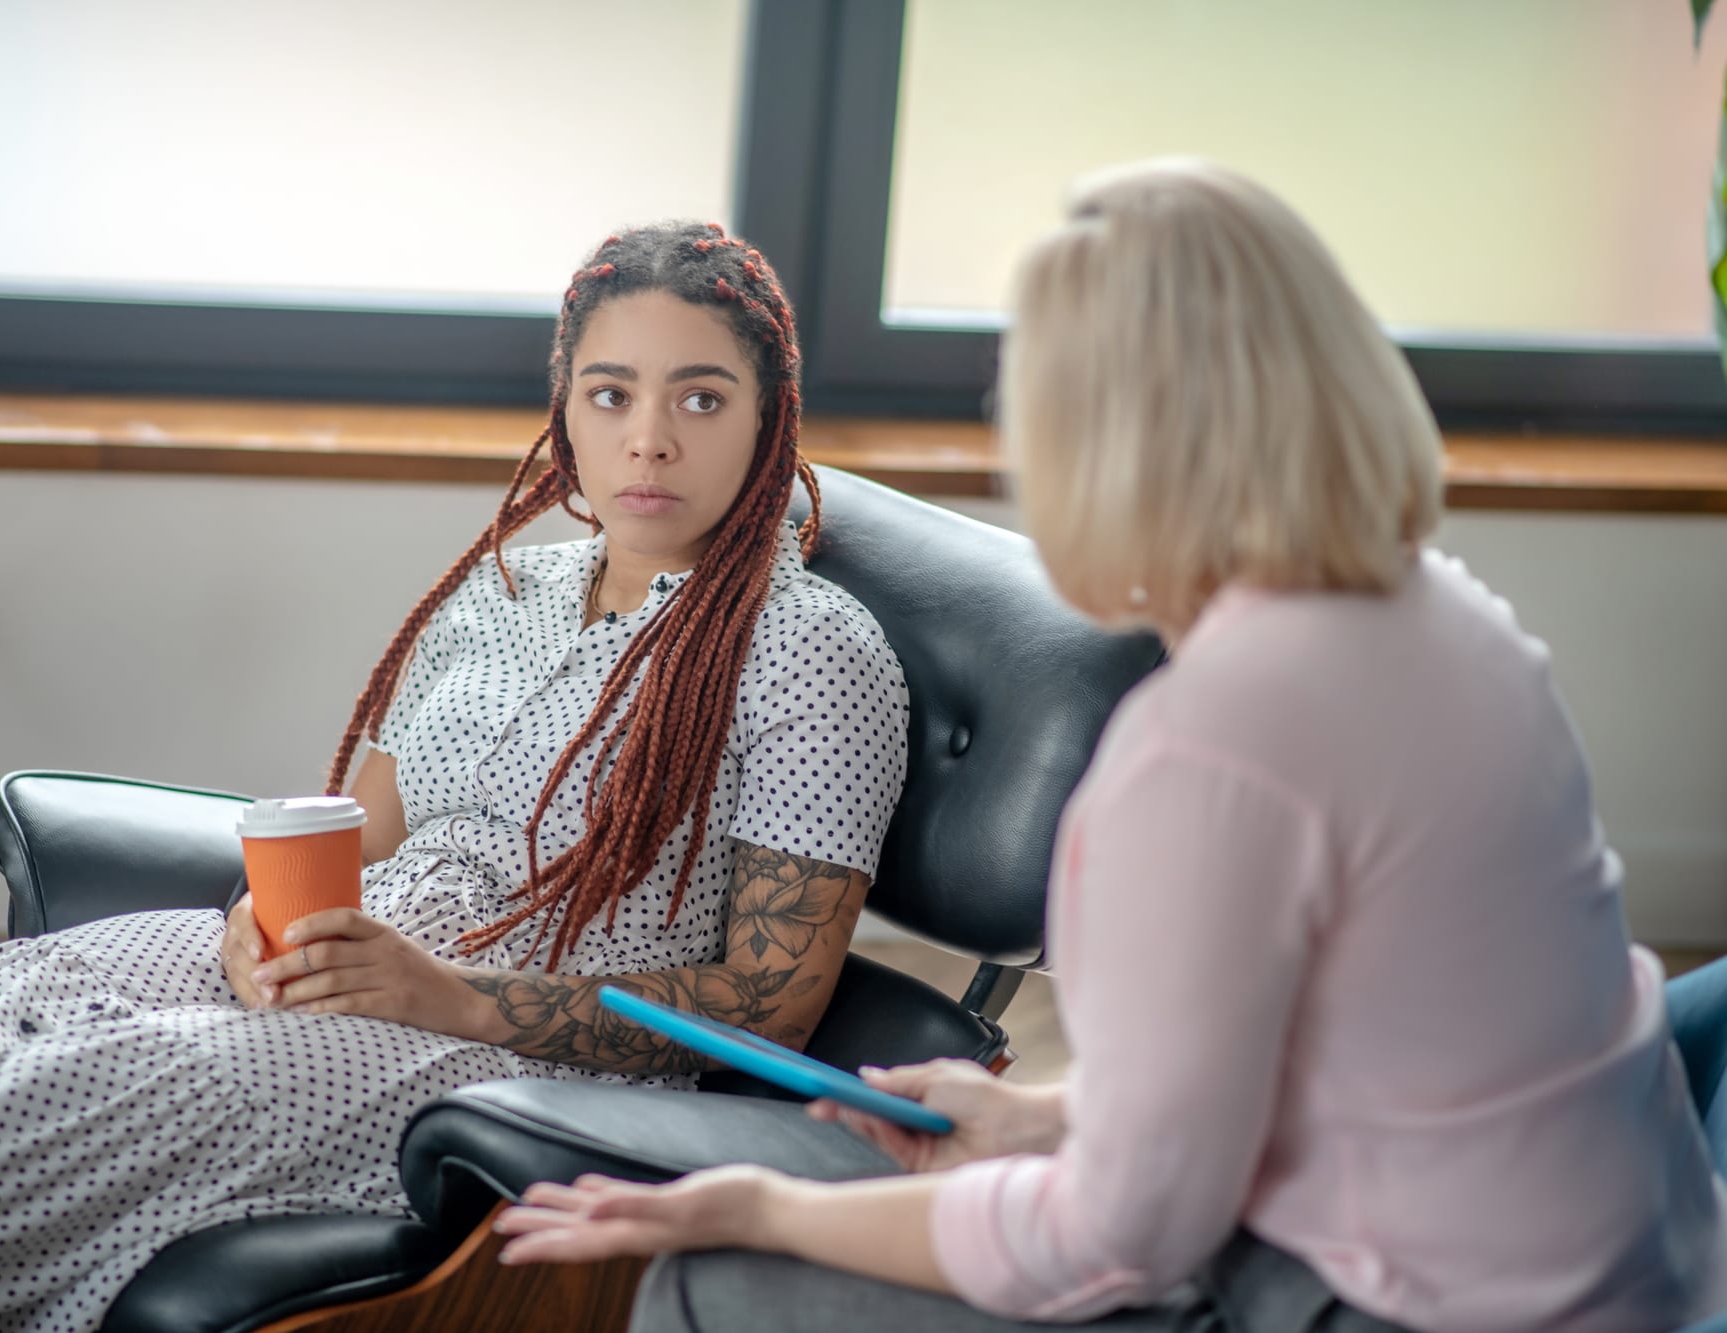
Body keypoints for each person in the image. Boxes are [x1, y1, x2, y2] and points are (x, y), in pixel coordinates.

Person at [494, 161, 1727, 1332]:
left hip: (1425, 1301)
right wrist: (1043, 1117)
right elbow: (1355, 1043)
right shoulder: (1455, 622)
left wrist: (773, 1207)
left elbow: (1118, 1236)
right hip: (1626, 1245)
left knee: (716, 1282)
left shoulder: (1202, 758)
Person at [0, 222, 909, 1331]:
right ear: (566, 414)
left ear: (769, 418)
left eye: (700, 397)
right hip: (356, 964)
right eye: (611, 394)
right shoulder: (504, 591)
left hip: (511, 1054)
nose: (649, 438)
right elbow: (368, 833)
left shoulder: (808, 651)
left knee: (103, 1085)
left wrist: (445, 994)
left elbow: (771, 1008)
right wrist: (259, 919)